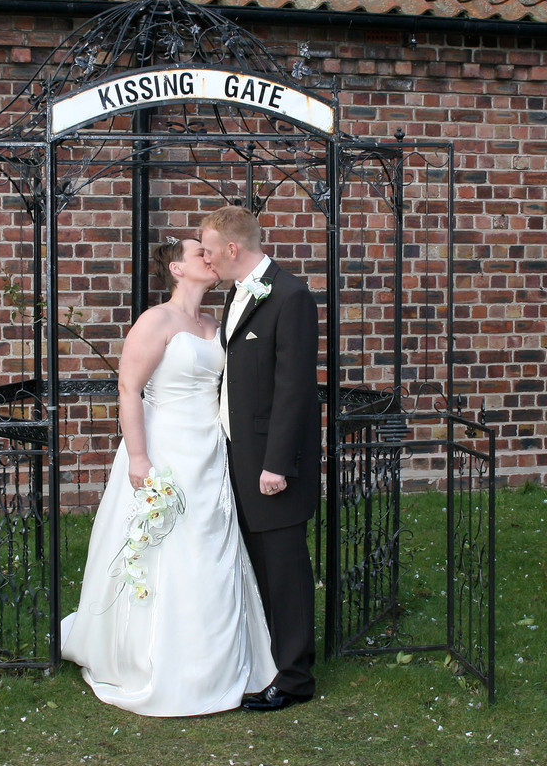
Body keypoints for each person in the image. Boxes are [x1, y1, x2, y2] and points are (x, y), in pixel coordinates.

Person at [61, 236, 277, 716]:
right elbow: (128, 388)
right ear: (177, 269)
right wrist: (139, 458)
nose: (210, 257)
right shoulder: (155, 321)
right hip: (164, 449)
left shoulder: (215, 324)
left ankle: (217, 661)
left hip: (208, 451)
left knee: (209, 547)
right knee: (165, 549)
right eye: (200, 252)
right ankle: (150, 658)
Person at [199, 205, 321, 712]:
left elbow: (294, 390)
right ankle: (270, 660)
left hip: (272, 463)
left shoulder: (290, 297)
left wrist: (277, 465)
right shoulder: (235, 294)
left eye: (209, 250)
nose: (205, 258)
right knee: (261, 568)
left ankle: (294, 679)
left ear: (233, 248)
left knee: (284, 570)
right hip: (237, 453)